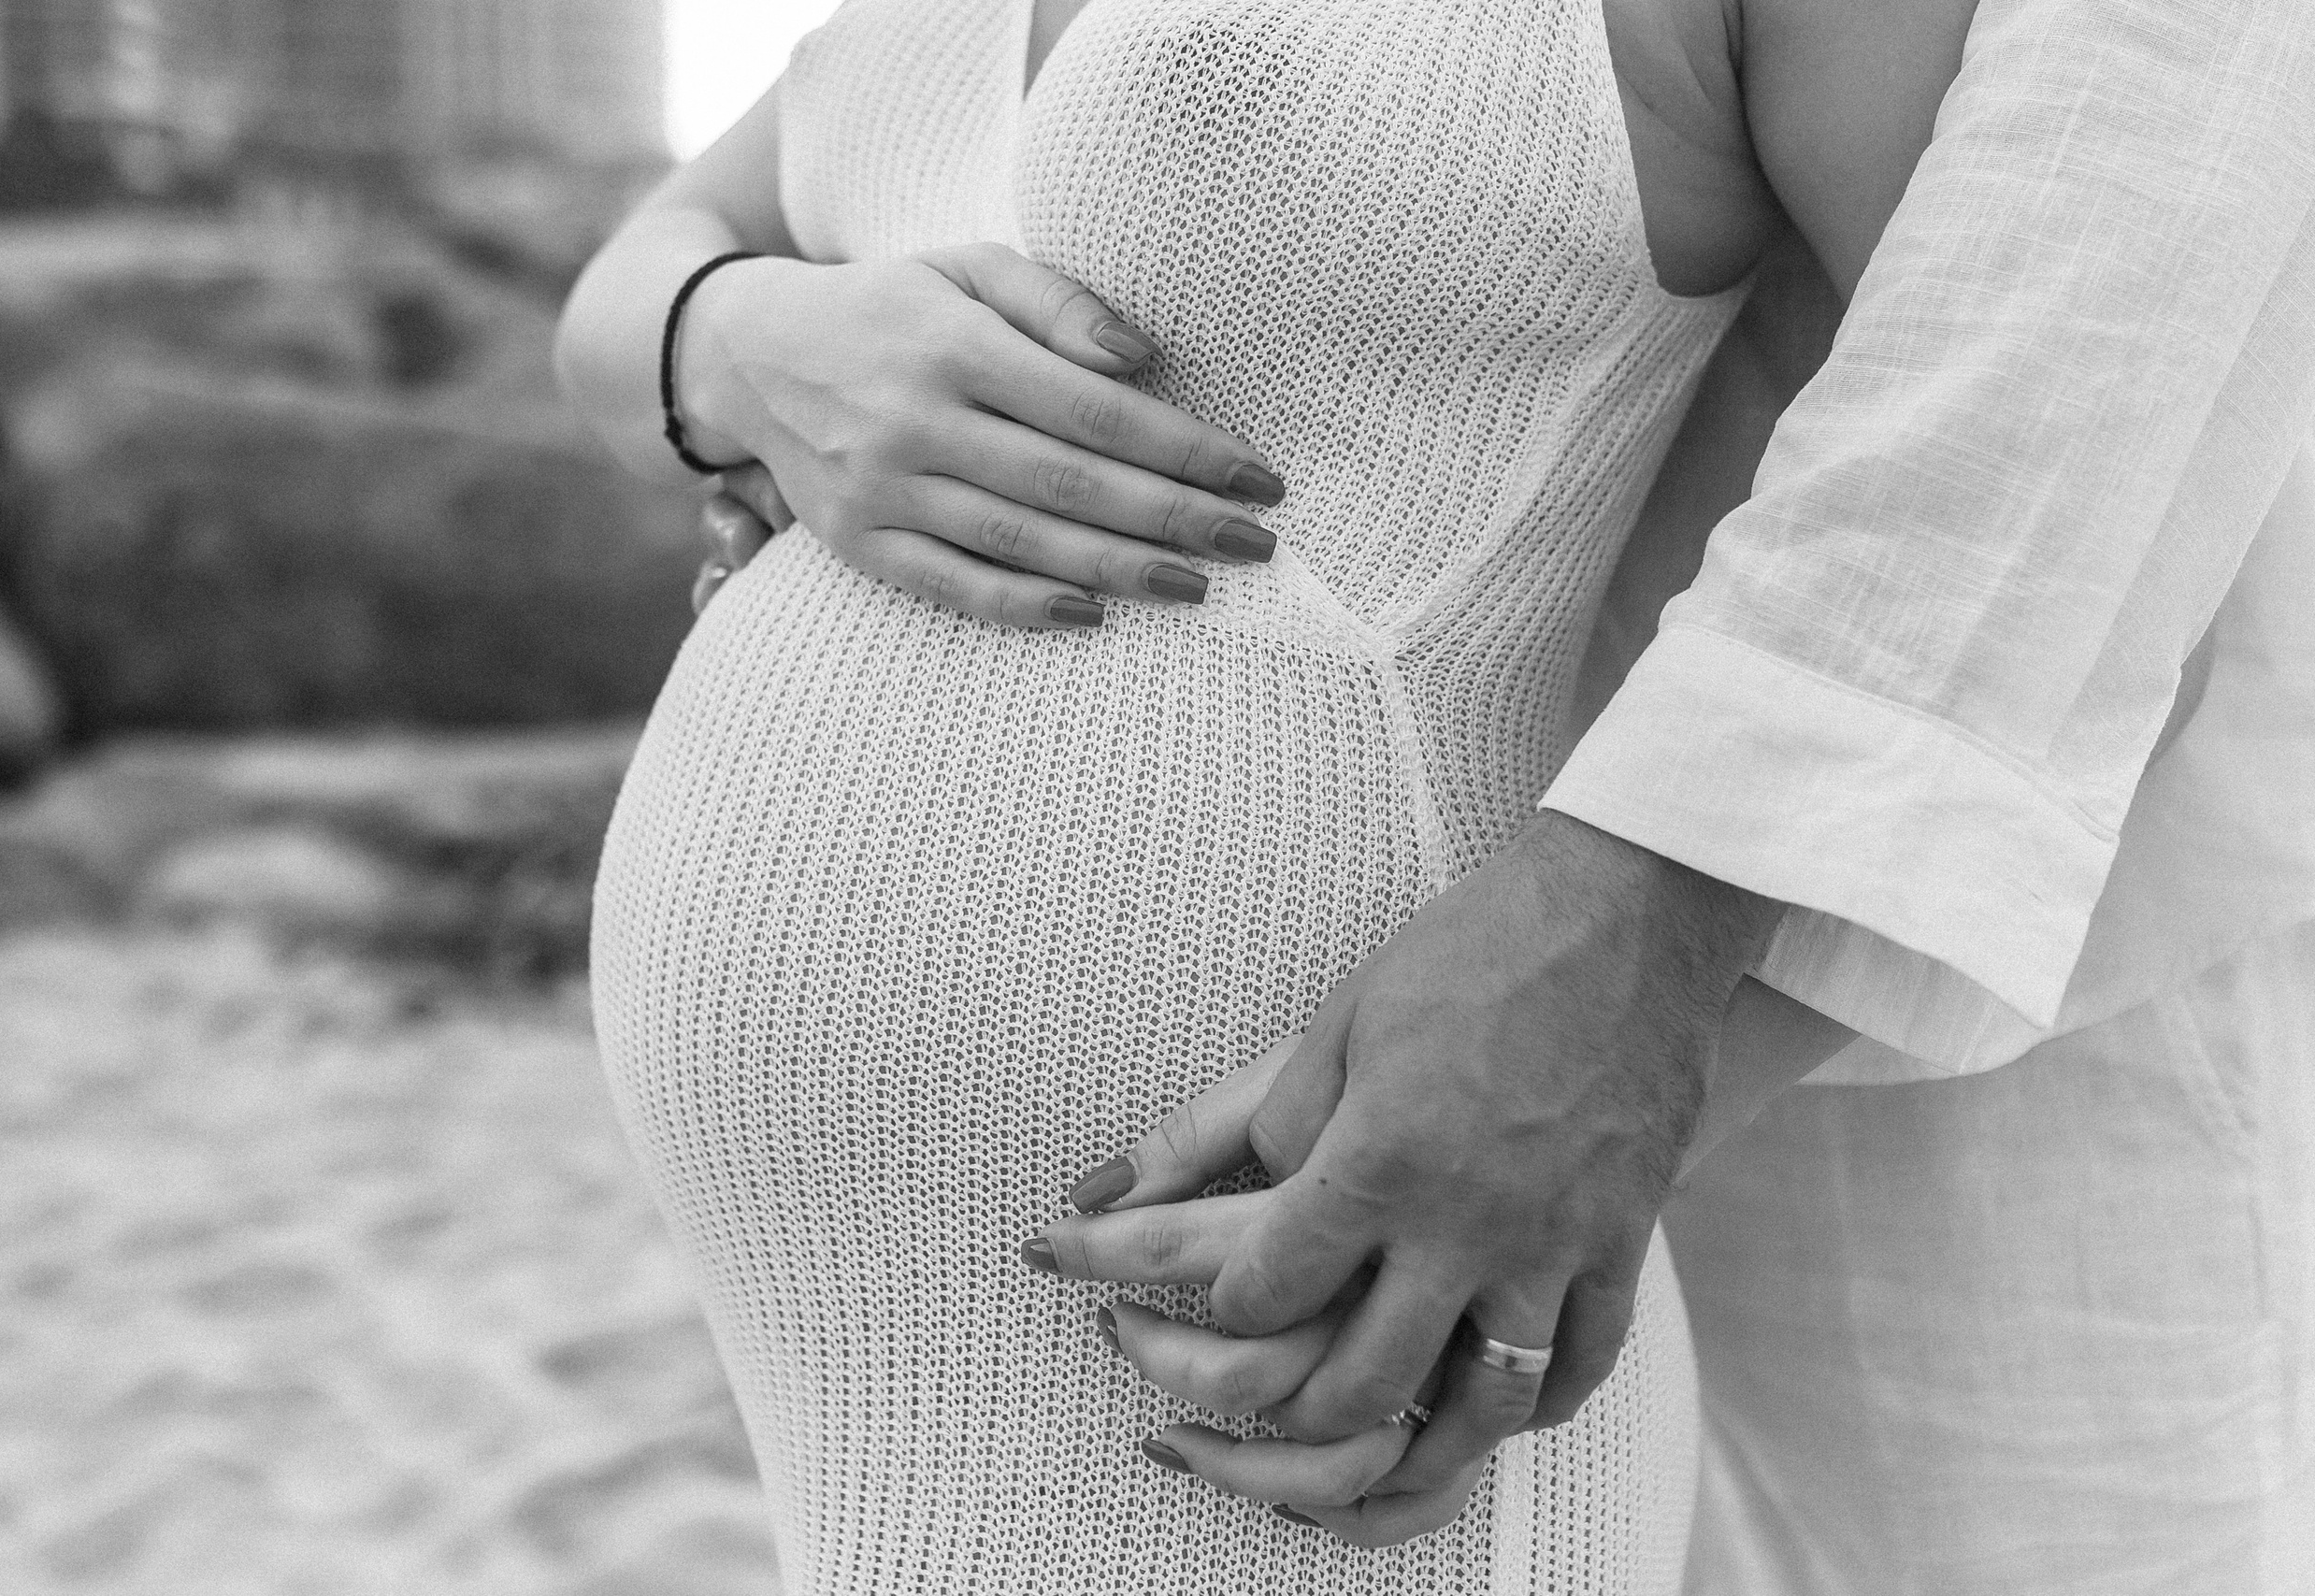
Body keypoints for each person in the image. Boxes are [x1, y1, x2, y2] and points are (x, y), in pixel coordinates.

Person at [559, 0, 2313, 1590]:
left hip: (1364, 1199)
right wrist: (739, 342)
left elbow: (2089, 495)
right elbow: (656, 262)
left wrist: (1667, 1025)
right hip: (854, 1324)